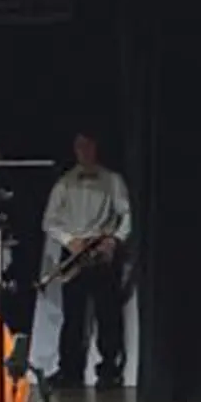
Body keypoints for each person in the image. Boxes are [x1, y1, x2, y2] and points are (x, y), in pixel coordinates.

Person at [40, 130, 132, 388]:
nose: (85, 151)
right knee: (73, 314)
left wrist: (114, 240)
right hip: (75, 253)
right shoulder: (64, 182)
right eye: (80, 147)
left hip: (101, 250)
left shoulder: (113, 180)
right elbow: (49, 221)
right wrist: (69, 240)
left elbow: (126, 215)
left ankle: (109, 370)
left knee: (108, 314)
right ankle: (69, 369)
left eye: (89, 146)